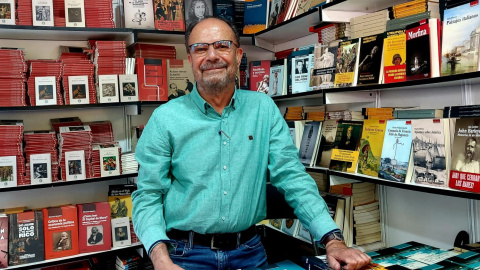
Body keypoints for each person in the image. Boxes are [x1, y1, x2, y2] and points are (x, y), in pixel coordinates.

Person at [132, 16, 371, 270]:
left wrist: (333, 240)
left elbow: (292, 177)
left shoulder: (263, 109)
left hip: (249, 253)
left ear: (238, 55)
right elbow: (148, 195)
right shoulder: (165, 118)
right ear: (190, 59)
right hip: (185, 256)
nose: (212, 55)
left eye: (222, 45)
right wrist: (160, 259)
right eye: (201, 48)